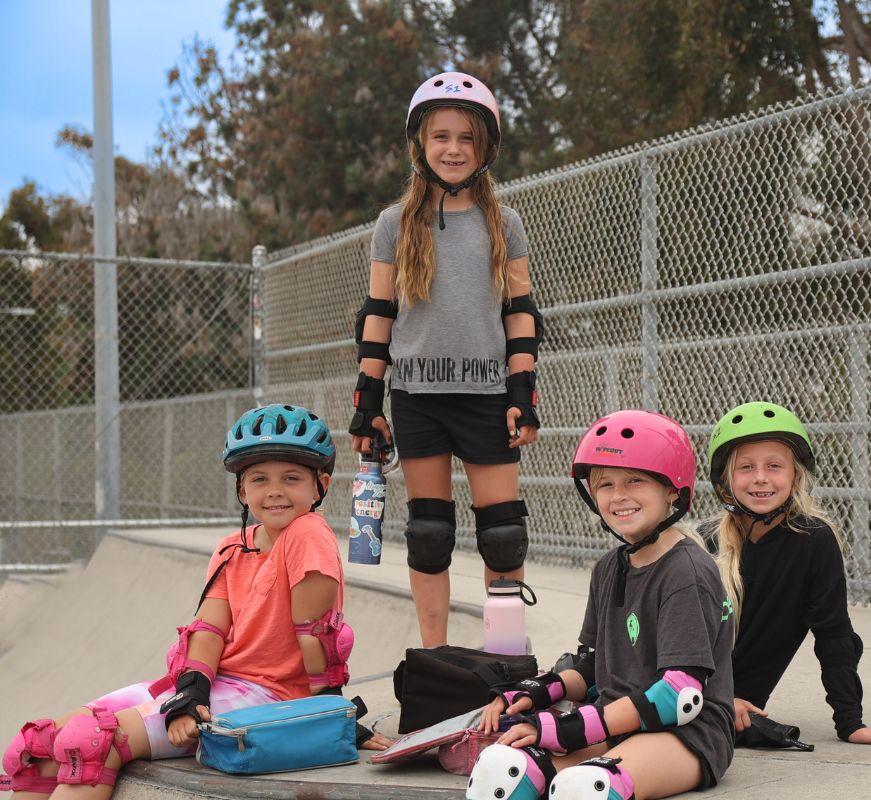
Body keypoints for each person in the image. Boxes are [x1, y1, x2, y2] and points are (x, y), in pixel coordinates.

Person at [0, 404, 389, 798]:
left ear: (320, 484)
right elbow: (209, 629)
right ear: (242, 489)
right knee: (37, 747)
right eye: (259, 479)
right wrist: (191, 693)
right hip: (218, 685)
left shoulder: (308, 534)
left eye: (291, 478)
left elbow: (317, 636)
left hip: (269, 696)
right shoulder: (231, 548)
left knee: (93, 742)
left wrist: (331, 717)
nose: (274, 490)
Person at [348, 71, 543, 648]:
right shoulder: (395, 223)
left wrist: (521, 393)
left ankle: (504, 654)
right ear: (420, 145)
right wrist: (367, 404)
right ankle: (434, 654)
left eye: (466, 138)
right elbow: (378, 316)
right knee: (430, 531)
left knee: (503, 533)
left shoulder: (503, 223)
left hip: (486, 395)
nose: (453, 149)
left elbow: (520, 312)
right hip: (417, 399)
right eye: (441, 136)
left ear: (484, 150)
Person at [466, 410, 734, 800]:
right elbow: (594, 665)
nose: (619, 495)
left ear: (673, 490)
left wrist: (569, 729)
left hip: (686, 734)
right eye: (605, 484)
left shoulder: (686, 571)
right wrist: (538, 691)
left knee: (585, 789)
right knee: (501, 770)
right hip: (618, 723)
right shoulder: (609, 567)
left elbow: (680, 696)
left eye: (635, 481)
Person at [705, 400, 871, 747]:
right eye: (746, 467)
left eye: (774, 466)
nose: (760, 477)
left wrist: (850, 722)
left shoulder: (814, 541)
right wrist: (713, 696)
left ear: (795, 475)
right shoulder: (705, 542)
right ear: (725, 481)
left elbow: (834, 635)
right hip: (683, 690)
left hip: (734, 706)